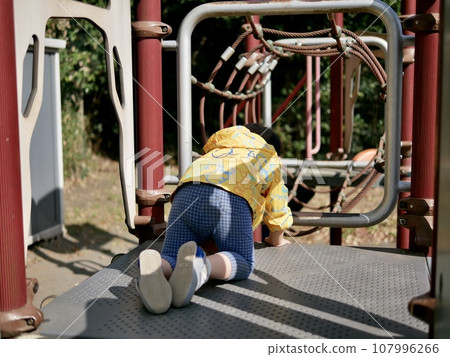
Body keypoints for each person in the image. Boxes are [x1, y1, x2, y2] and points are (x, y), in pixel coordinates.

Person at [137, 124, 293, 314]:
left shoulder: (217, 150)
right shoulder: (268, 157)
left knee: (172, 256)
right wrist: (276, 239)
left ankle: (157, 266)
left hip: (185, 194)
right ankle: (201, 266)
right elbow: (277, 206)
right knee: (243, 261)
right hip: (230, 199)